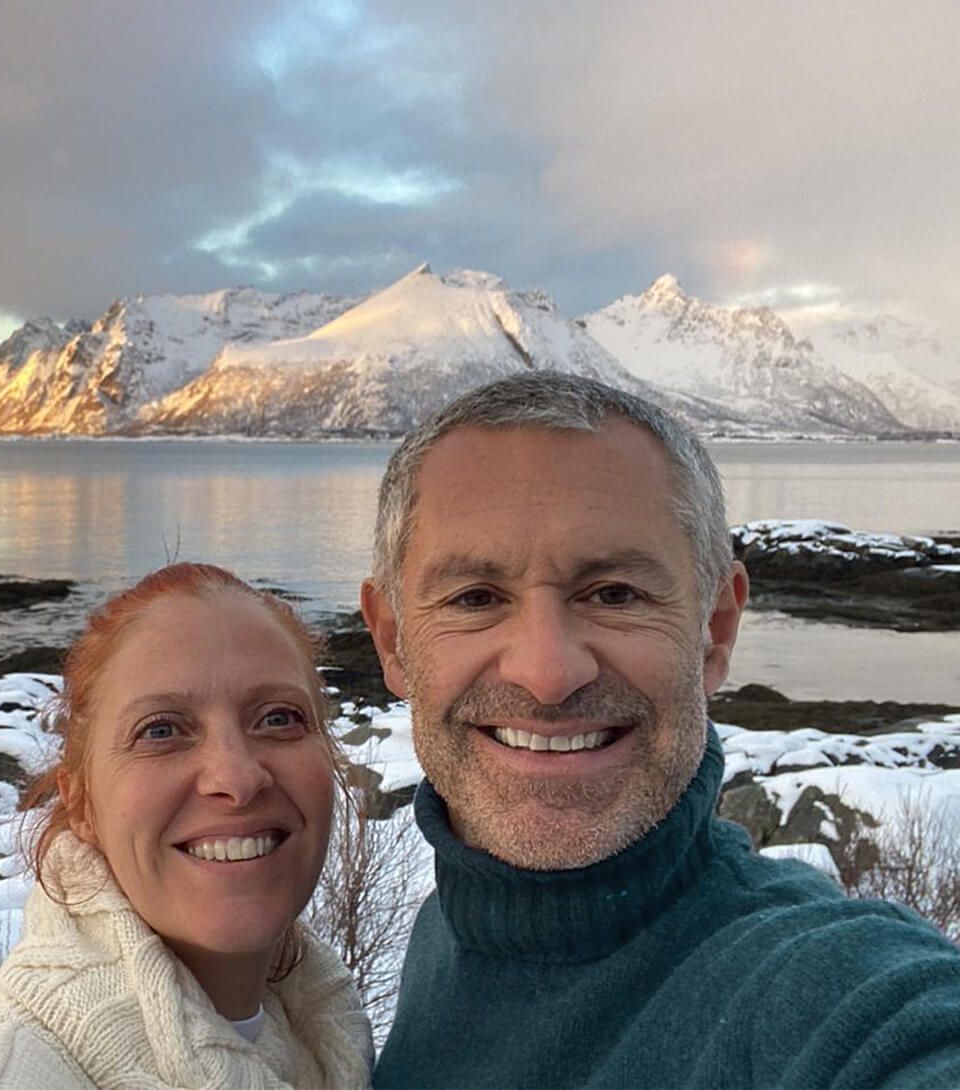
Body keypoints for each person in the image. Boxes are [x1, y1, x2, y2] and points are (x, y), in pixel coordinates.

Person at [360, 372, 960, 1089]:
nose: (548, 673)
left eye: (615, 594)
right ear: (392, 642)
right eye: (475, 598)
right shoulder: (446, 934)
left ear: (715, 629)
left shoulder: (827, 990)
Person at [0, 563, 373, 1090]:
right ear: (81, 804)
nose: (237, 779)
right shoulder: (6, 1073)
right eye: (161, 730)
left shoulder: (321, 1032)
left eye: (279, 718)